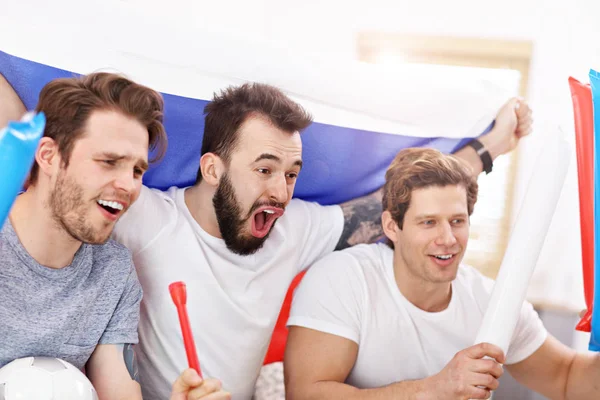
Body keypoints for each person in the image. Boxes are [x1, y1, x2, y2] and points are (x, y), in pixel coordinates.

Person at [109, 81, 532, 399]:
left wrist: (491, 145)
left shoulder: (291, 229)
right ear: (213, 169)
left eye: (292, 173)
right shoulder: (146, 216)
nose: (281, 191)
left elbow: (397, 203)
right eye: (264, 169)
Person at [284, 147, 599, 400]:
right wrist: (433, 389)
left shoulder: (491, 302)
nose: (448, 238)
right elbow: (307, 394)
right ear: (392, 226)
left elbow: (567, 377)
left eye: (457, 221)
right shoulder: (342, 280)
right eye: (428, 222)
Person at [0, 72, 230, 400]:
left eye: (137, 170)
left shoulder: (114, 273)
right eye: (109, 162)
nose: (129, 185)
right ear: (49, 156)